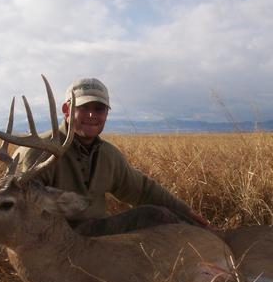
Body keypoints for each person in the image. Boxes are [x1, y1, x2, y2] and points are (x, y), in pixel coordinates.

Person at [13, 77, 210, 236]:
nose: (92, 115)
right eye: (84, 108)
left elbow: (142, 189)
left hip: (96, 235)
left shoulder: (108, 155)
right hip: (53, 241)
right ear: (66, 110)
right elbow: (17, 210)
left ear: (106, 113)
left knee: (155, 217)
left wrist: (186, 212)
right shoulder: (38, 151)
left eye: (98, 109)